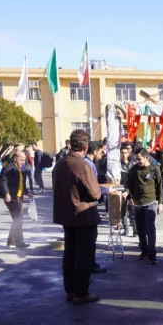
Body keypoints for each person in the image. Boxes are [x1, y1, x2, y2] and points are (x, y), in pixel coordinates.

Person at [52, 129, 102, 304]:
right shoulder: (82, 165)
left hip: (67, 216)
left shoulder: (60, 163)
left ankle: (70, 290)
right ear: (86, 146)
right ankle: (81, 292)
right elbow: (95, 194)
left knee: (70, 253)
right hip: (83, 216)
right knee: (84, 255)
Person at [125, 148, 163, 265]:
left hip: (150, 203)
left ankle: (152, 253)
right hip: (137, 204)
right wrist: (127, 194)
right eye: (136, 159)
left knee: (150, 228)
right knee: (140, 229)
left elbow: (159, 187)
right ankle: (144, 251)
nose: (138, 161)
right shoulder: (133, 170)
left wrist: (160, 203)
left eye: (139, 159)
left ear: (147, 157)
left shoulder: (154, 168)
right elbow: (129, 185)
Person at [0, 150, 33, 249]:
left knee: (17, 219)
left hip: (18, 197)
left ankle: (11, 241)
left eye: (24, 160)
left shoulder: (18, 168)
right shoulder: (8, 168)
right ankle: (19, 243)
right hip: (11, 197)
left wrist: (27, 192)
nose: (23, 162)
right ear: (15, 158)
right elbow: (3, 182)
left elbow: (21, 184)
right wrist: (6, 193)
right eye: (22, 160)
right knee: (18, 219)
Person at [117, 143, 137, 236]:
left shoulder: (133, 165)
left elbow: (134, 180)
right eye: (122, 153)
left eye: (125, 152)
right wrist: (121, 192)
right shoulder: (117, 166)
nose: (124, 154)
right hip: (121, 190)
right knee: (123, 212)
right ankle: (125, 229)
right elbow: (117, 181)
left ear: (128, 153)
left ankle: (135, 229)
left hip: (131, 191)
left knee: (132, 210)